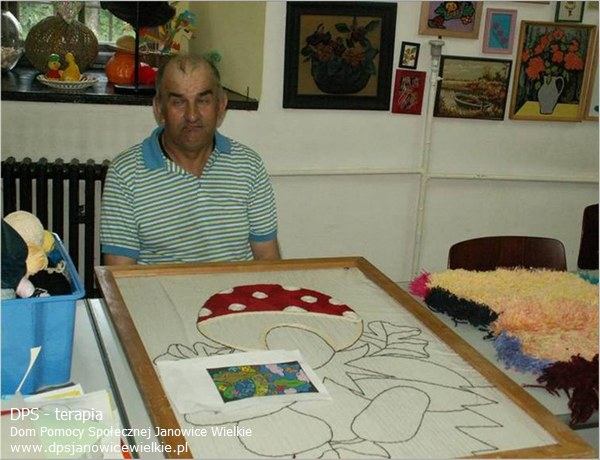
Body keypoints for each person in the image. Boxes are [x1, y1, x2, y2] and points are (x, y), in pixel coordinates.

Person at [100, 54, 280, 265]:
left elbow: (267, 259)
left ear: (221, 105)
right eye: (178, 102)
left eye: (203, 101)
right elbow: (120, 274)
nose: (192, 115)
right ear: (159, 108)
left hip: (237, 287)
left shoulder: (249, 166)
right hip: (160, 287)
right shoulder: (125, 174)